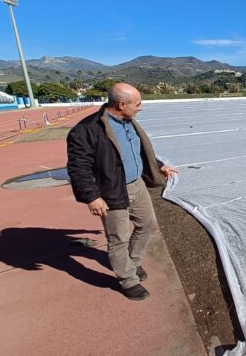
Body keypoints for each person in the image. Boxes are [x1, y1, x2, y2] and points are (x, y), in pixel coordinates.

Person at [67, 83, 177, 300]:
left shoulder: (129, 122)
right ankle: (127, 280)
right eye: (138, 104)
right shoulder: (87, 130)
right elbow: (78, 167)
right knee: (118, 238)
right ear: (121, 104)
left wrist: (158, 165)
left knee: (147, 224)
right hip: (111, 190)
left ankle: (133, 263)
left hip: (136, 184)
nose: (141, 108)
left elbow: (137, 152)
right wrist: (92, 196)